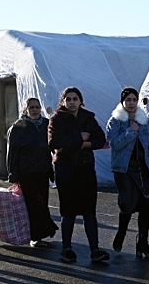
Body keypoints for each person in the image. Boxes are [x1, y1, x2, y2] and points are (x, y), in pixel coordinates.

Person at [48, 86, 110, 263]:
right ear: (63, 101)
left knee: (89, 211)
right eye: (68, 99)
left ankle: (95, 249)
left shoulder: (87, 117)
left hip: (85, 168)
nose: (72, 102)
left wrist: (86, 144)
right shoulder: (57, 119)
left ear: (80, 100)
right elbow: (53, 142)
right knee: (68, 211)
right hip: (66, 169)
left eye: (75, 99)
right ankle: (66, 248)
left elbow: (100, 139)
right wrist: (78, 137)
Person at [106, 87, 149, 259]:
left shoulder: (145, 122)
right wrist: (131, 131)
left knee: (146, 207)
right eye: (128, 100)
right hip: (124, 170)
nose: (131, 103)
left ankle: (143, 244)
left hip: (143, 169)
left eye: (134, 100)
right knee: (127, 205)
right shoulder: (115, 121)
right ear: (123, 102)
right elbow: (115, 144)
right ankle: (121, 232)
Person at [7, 97, 59, 247]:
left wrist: (52, 169)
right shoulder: (19, 127)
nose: (35, 110)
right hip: (26, 171)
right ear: (26, 110)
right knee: (32, 204)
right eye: (32, 108)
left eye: (37, 107)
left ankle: (41, 232)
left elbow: (51, 147)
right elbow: (12, 152)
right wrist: (12, 172)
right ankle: (35, 236)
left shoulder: (46, 125)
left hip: (42, 170)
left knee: (42, 202)